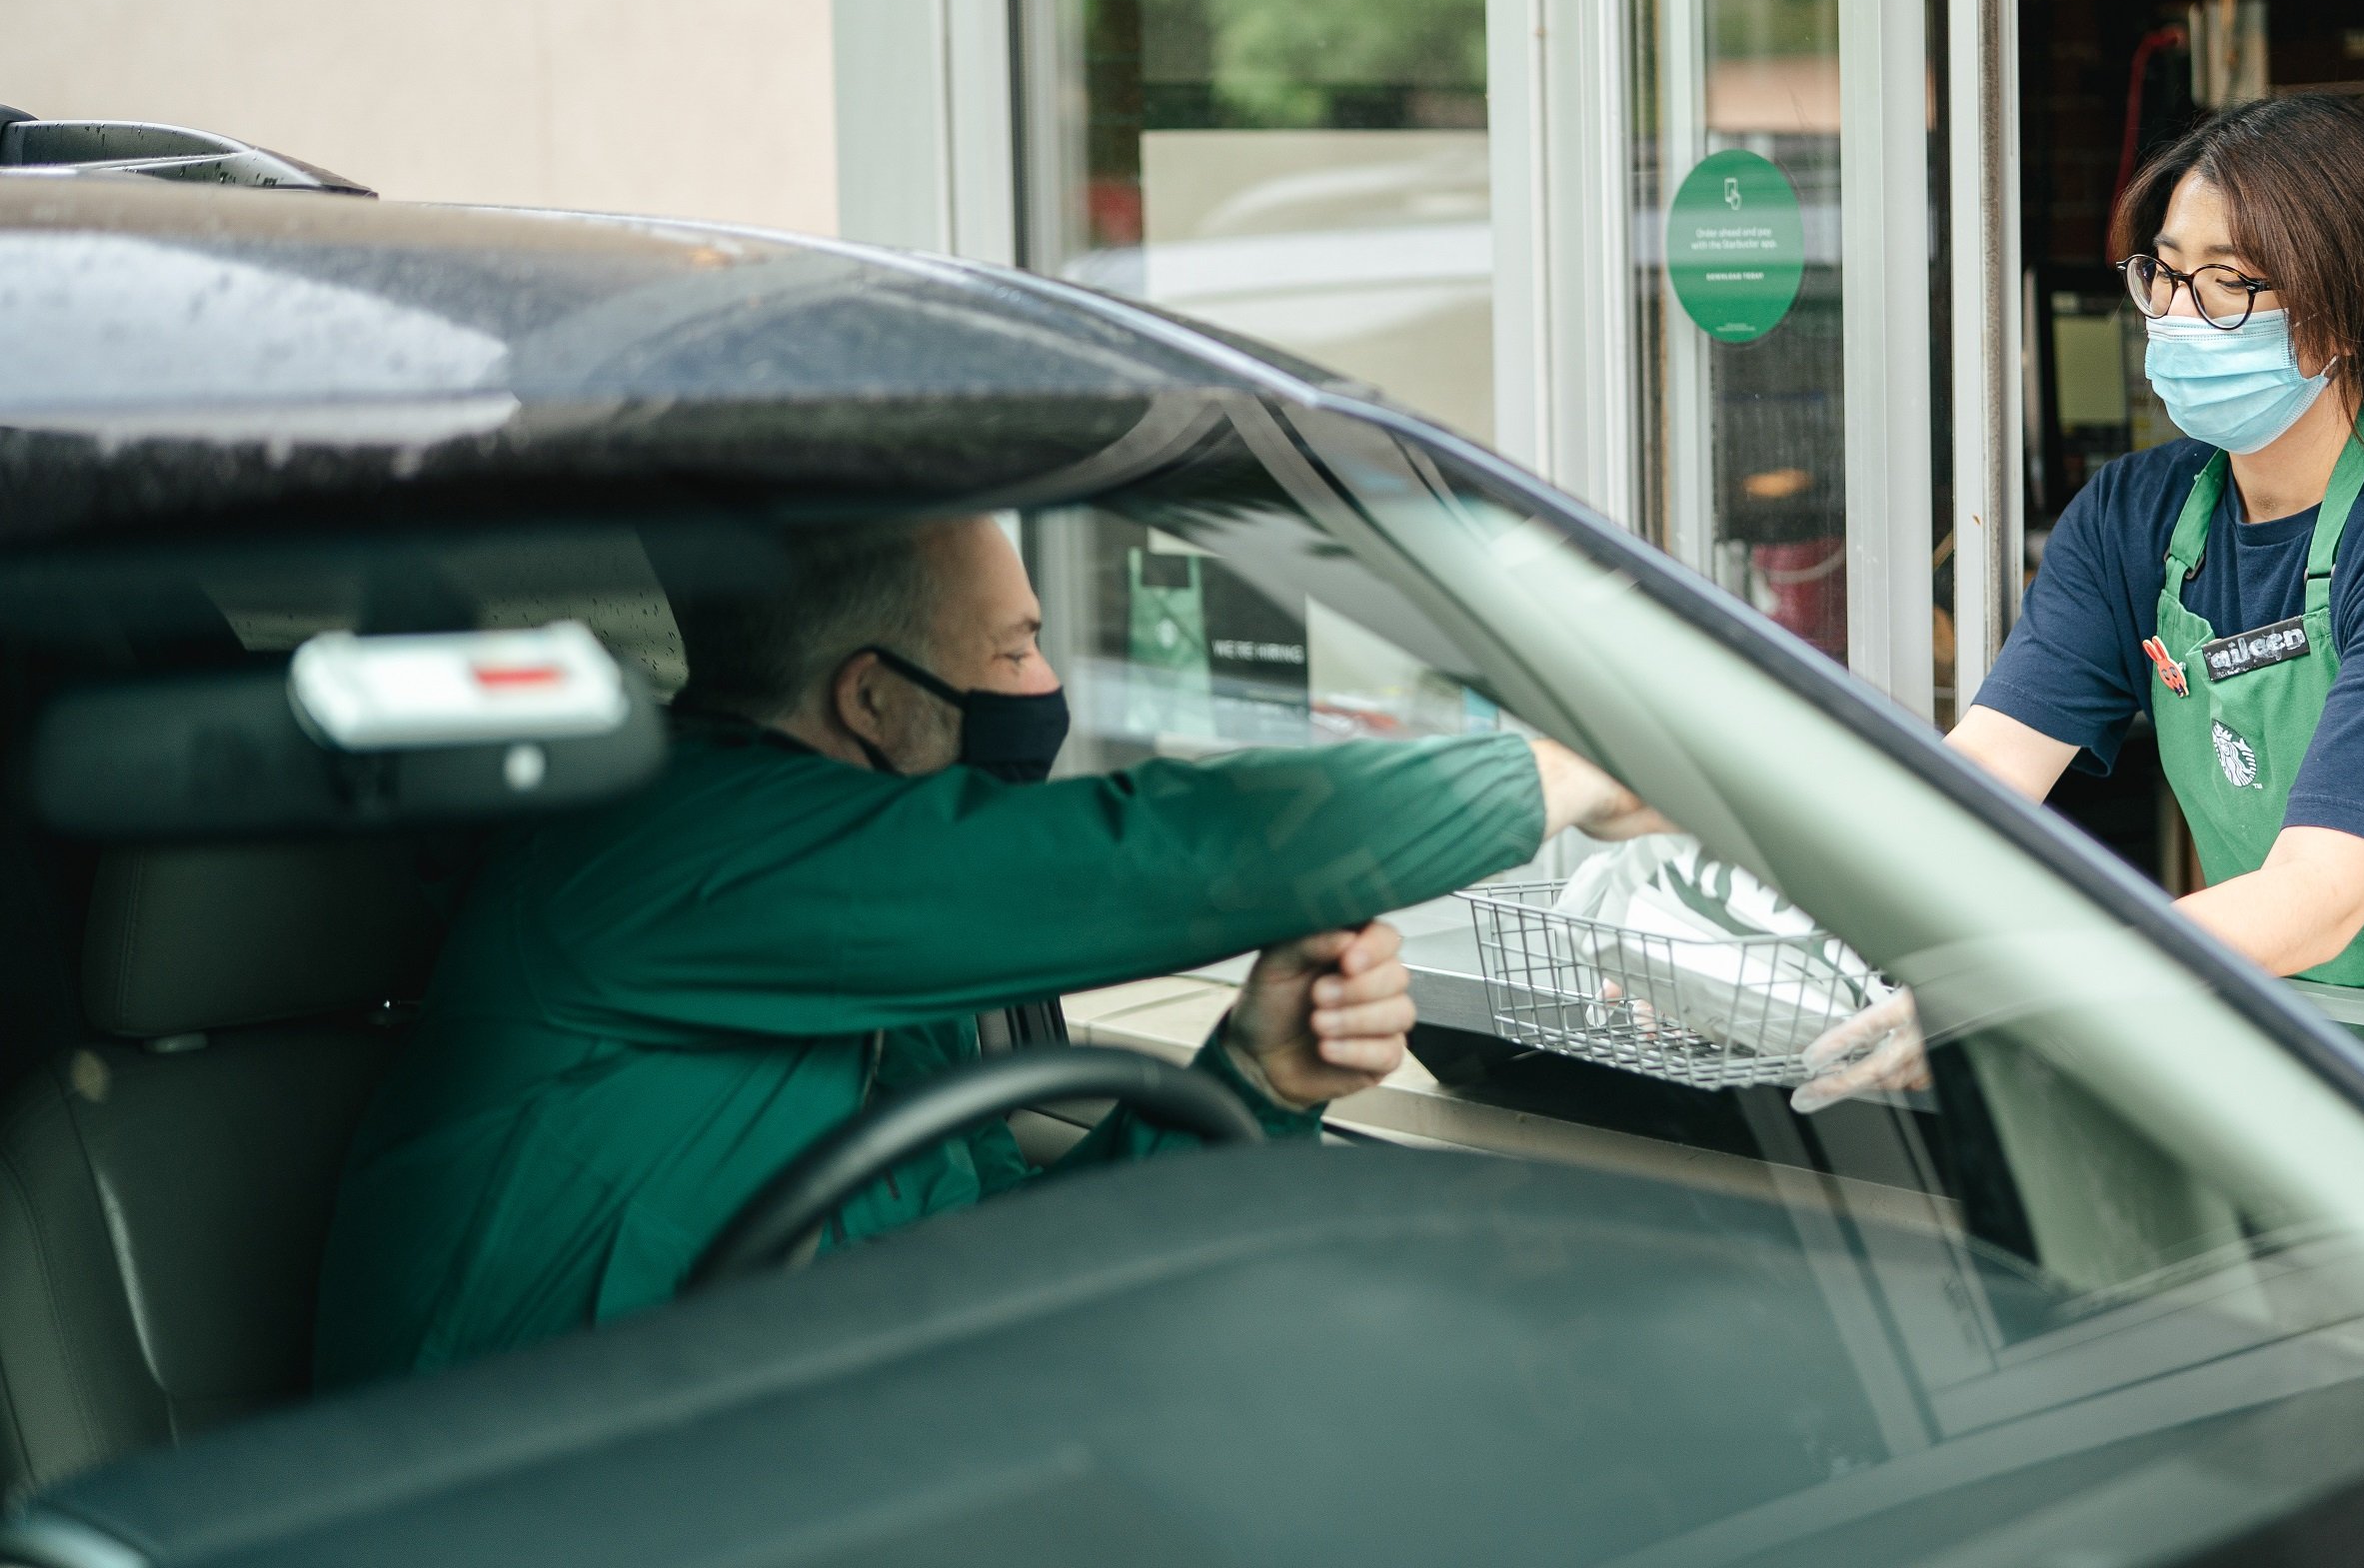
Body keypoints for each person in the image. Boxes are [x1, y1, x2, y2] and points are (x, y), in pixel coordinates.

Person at [316, 515, 1655, 1385]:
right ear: (877, 699)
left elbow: (979, 1277)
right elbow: (1156, 853)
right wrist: (1567, 775)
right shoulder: (664, 853)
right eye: (1016, 649)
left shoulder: (884, 968)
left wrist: (1256, 1076)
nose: (1045, 687)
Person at [1801, 96, 2364, 1108]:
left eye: (2224, 283)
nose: (2176, 312)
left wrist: (2038, 988)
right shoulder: (2136, 515)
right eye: (2164, 271)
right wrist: (1762, 928)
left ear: (2342, 319)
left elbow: (2317, 896)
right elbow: (1980, 777)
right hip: (2306, 1038)